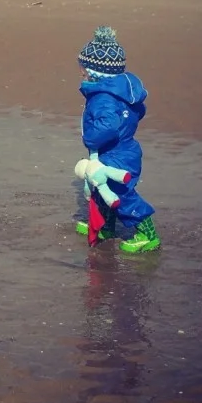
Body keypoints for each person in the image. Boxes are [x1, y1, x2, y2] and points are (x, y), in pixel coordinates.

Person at [74, 26, 160, 252]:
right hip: (121, 149)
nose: (81, 74)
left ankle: (147, 234)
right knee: (100, 188)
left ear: (94, 73)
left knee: (122, 194)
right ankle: (105, 226)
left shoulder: (103, 98)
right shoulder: (122, 92)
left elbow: (108, 127)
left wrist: (90, 138)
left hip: (117, 154)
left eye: (83, 70)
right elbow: (138, 112)